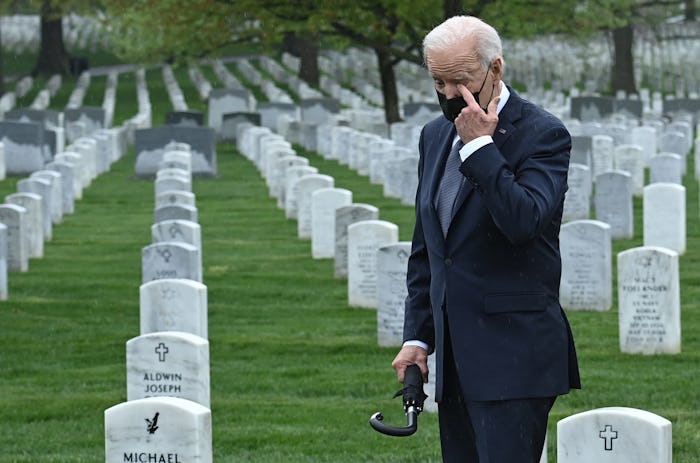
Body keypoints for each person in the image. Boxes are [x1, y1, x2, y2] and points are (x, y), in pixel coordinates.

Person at [391, 15, 581, 463]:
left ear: (495, 69)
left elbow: (524, 221)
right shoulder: (434, 135)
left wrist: (480, 148)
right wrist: (418, 336)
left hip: (515, 355)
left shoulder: (543, 134)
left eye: (460, 80)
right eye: (438, 81)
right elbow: (430, 248)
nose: (448, 95)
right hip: (456, 359)